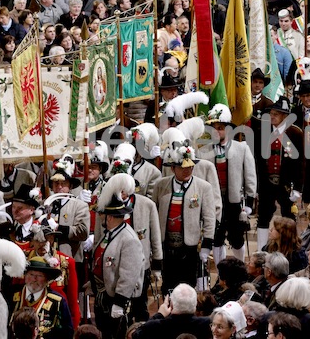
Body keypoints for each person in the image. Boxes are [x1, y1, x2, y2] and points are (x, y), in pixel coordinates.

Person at [152, 134, 215, 292]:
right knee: (168, 286)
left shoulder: (203, 187)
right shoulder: (160, 185)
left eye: (190, 167)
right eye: (182, 167)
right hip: (166, 245)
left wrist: (207, 244)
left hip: (190, 247)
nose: (187, 170)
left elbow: (209, 218)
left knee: (188, 286)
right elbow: (153, 215)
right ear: (173, 168)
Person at [200, 104, 256, 263]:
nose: (216, 131)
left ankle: (240, 267)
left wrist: (249, 201)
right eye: (213, 128)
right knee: (216, 237)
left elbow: (250, 176)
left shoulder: (241, 148)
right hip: (214, 202)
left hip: (234, 202)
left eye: (220, 128)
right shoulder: (203, 152)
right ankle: (221, 273)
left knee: (237, 238)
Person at [91, 173, 145, 338]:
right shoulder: (110, 233)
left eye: (102, 214)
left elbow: (128, 274)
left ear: (110, 216)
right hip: (103, 295)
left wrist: (120, 303)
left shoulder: (129, 239)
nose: (100, 217)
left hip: (117, 300)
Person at [255, 96, 303, 250]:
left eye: (276, 114)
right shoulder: (262, 132)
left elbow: (301, 163)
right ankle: (262, 249)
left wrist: (297, 188)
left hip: (286, 184)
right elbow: (256, 160)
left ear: (285, 116)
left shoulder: (295, 133)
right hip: (266, 182)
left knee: (288, 216)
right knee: (263, 216)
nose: (272, 116)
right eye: (271, 113)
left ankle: (289, 247)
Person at [9, 256, 74, 338]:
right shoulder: (10, 295)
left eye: (39, 276)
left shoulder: (57, 302)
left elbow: (67, 333)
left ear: (47, 280)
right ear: (25, 276)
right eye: (31, 274)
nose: (34, 279)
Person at [132, 283, 211, 339]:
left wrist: (159, 314)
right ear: (195, 304)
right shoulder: (208, 324)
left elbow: (135, 335)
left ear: (171, 305)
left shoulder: (155, 326)